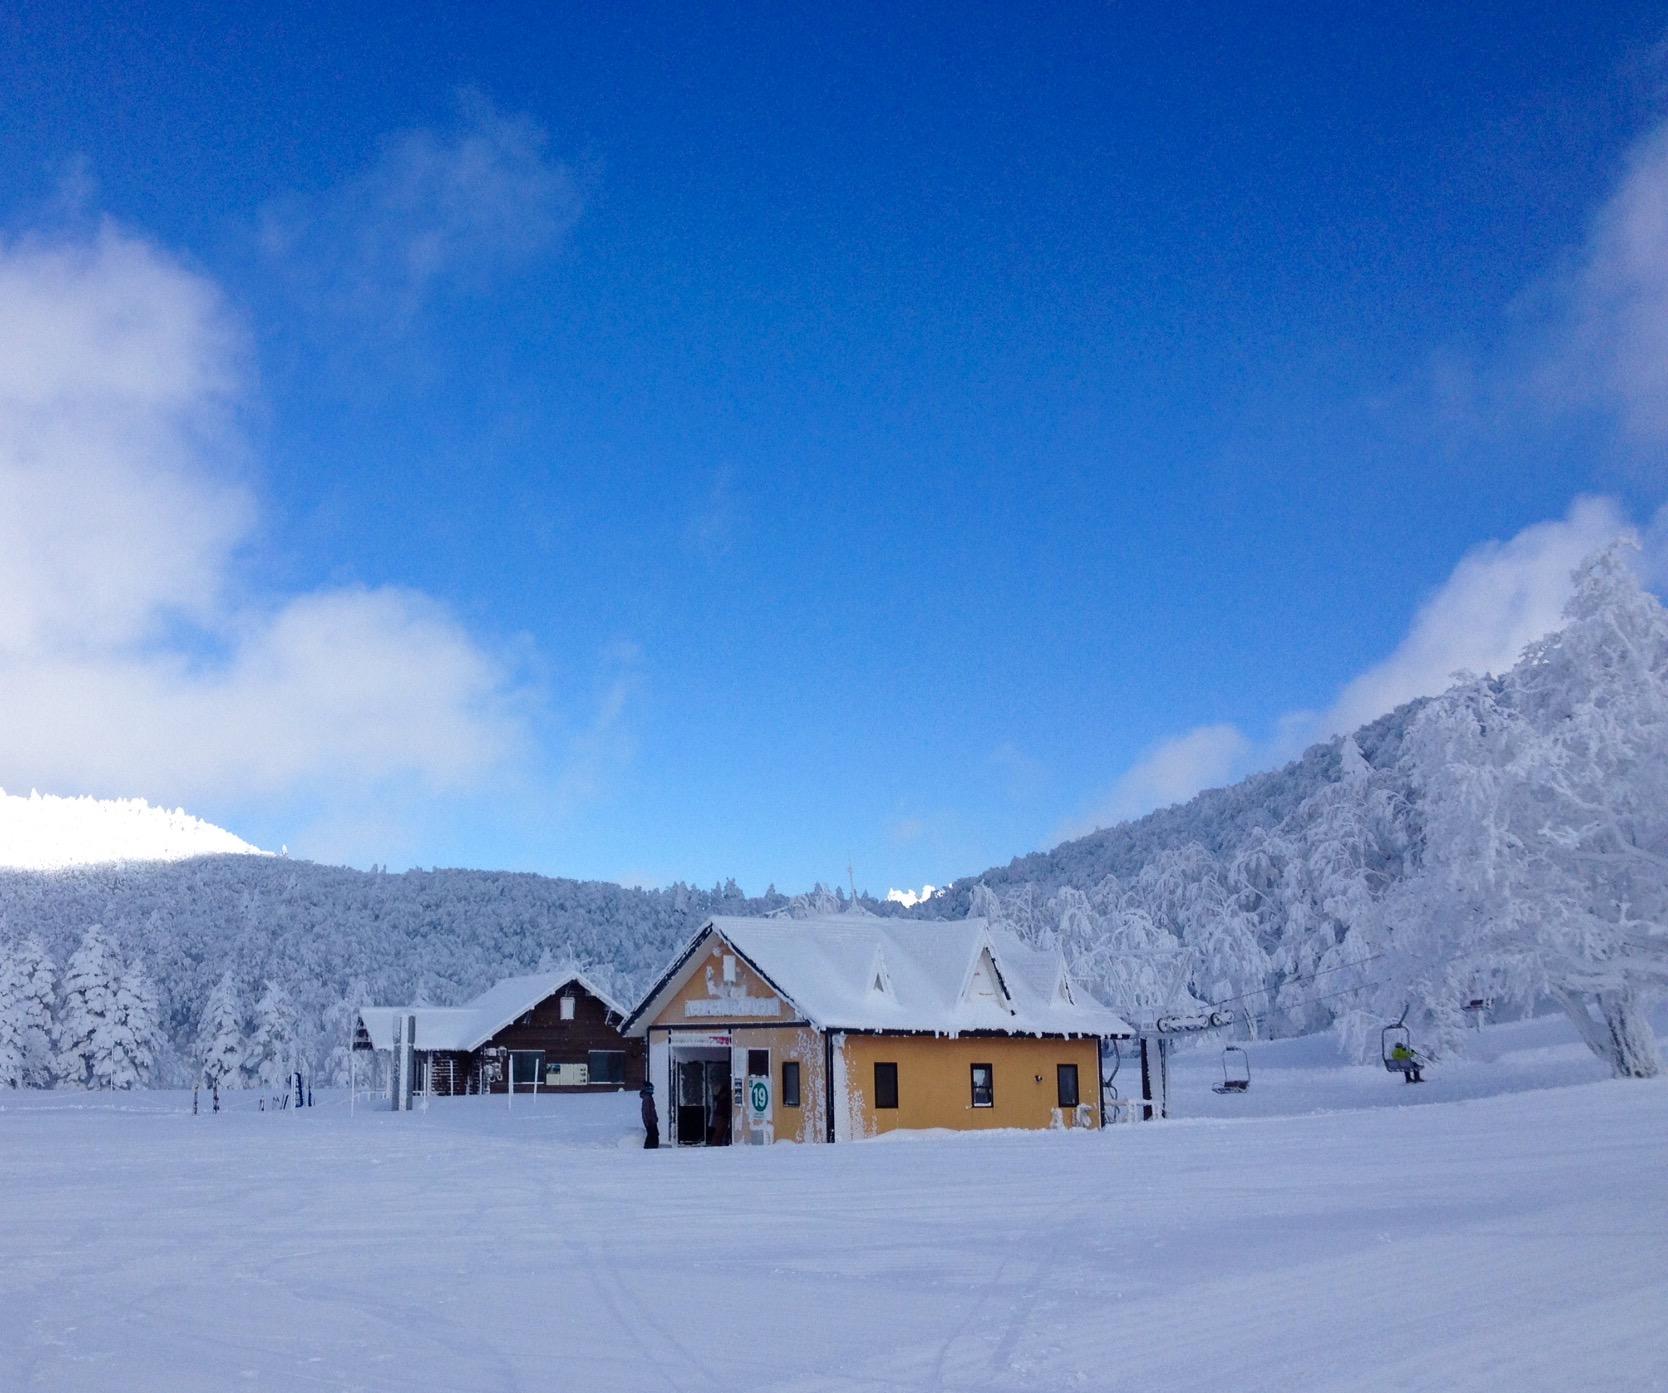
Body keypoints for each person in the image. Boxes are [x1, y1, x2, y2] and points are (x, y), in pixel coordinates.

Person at [640, 1081, 660, 1149]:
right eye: (649, 1088)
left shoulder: (649, 1097)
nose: (651, 1090)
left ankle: (653, 1147)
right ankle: (648, 1148)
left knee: (655, 1134)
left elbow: (652, 1110)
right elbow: (646, 1111)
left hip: (652, 1120)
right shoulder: (647, 1098)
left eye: (652, 1088)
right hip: (650, 1121)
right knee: (652, 1135)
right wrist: (649, 1120)